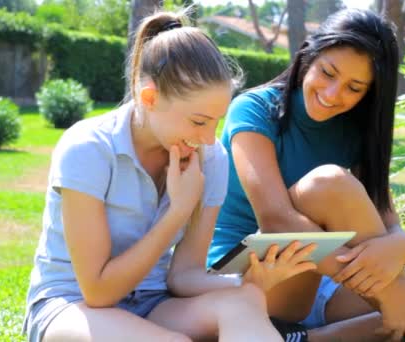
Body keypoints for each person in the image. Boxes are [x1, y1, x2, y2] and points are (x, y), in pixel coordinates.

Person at [205, 8, 405, 342]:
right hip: (256, 279)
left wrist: (396, 250)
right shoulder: (255, 109)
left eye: (354, 87)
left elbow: (391, 227)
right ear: (308, 56)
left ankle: (309, 339)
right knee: (329, 185)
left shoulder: (354, 130)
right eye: (327, 73)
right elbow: (277, 220)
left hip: (326, 281)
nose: (333, 94)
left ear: (370, 92)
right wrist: (394, 294)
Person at [22, 9, 319, 342]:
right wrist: (178, 210)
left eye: (216, 122)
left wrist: (247, 280)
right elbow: (98, 292)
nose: (209, 138)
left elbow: (184, 275)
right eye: (198, 121)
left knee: (246, 301)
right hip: (71, 305)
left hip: (153, 303)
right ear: (149, 98)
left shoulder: (210, 158)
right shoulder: (88, 148)